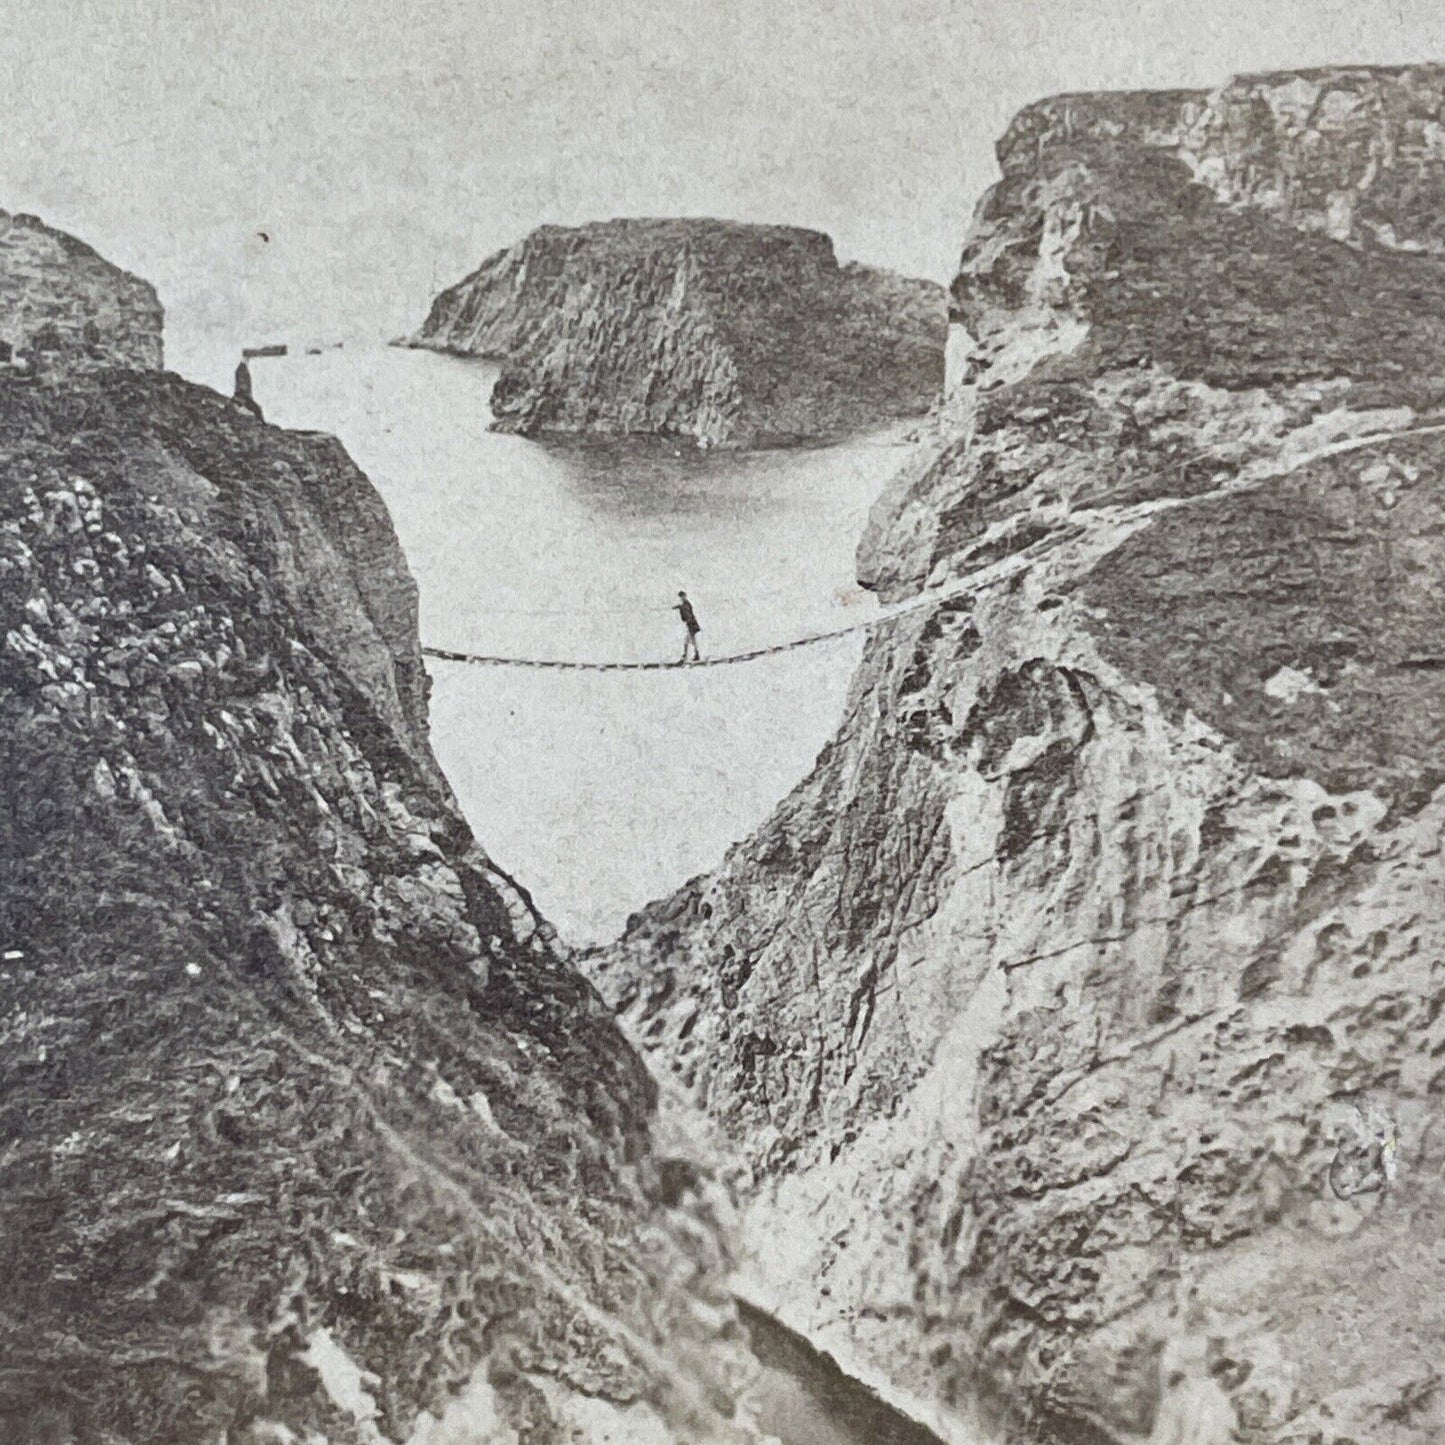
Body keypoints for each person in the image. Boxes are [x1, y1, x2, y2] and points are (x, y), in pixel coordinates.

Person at [673, 590, 702, 664]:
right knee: (692, 641)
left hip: (692, 625)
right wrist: (679, 607)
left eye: (682, 596)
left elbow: (687, 612)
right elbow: (685, 609)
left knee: (687, 641)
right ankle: (696, 655)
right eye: (680, 597)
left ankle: (685, 657)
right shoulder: (686, 604)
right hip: (692, 625)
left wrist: (680, 607)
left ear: (684, 596)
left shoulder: (686, 604)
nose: (681, 598)